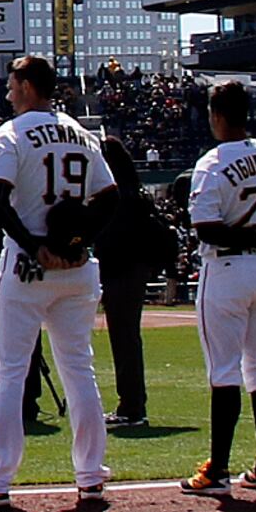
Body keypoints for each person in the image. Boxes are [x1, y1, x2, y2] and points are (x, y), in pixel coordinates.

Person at [0, 55, 114, 512]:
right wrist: (77, 242)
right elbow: (111, 198)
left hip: (28, 269)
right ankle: (90, 477)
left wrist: (36, 246)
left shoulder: (12, 132)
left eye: (13, 83)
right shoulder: (81, 132)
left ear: (28, 85)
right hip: (76, 268)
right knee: (79, 369)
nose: (8, 91)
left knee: (10, 374)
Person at [183, 77, 256, 496]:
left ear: (218, 115)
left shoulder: (213, 161)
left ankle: (218, 471)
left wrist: (244, 236)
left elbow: (206, 228)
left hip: (226, 269)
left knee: (224, 371)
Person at [93, 134, 165, 432]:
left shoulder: (117, 197)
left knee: (124, 340)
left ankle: (132, 406)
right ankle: (132, 404)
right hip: (135, 270)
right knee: (127, 339)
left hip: (120, 271)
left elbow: (110, 239)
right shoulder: (136, 193)